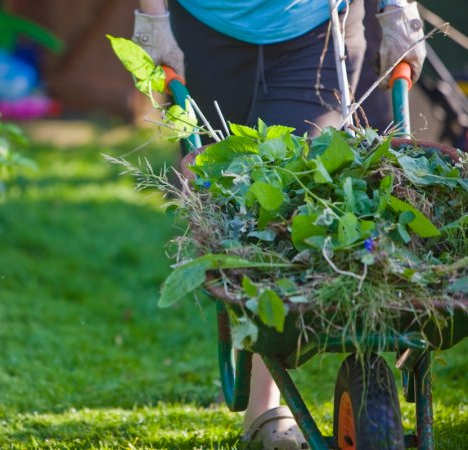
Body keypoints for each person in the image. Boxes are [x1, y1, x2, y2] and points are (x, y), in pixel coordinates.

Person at [132, 0, 426, 448]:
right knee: (231, 204)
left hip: (316, 28)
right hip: (206, 27)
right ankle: (266, 401)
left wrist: (397, 9)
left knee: (289, 198)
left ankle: (274, 400)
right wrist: (154, 20)